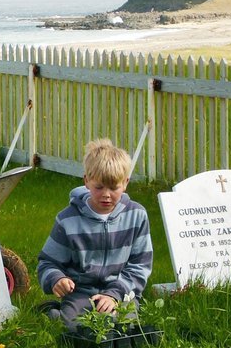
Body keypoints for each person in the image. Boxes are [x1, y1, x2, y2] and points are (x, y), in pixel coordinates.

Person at [36, 138, 153, 329]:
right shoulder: (68, 220)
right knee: (77, 330)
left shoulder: (137, 215)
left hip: (121, 292)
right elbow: (48, 262)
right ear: (87, 181)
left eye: (114, 187)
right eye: (99, 187)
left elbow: (140, 265)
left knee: (123, 328)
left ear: (125, 183)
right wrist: (56, 279)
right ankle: (55, 314)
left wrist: (113, 295)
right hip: (80, 292)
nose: (106, 194)